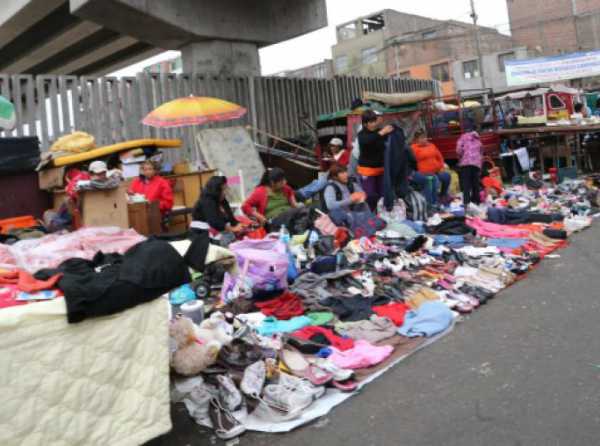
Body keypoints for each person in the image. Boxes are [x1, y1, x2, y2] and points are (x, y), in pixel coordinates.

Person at [357, 110, 394, 211]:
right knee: (370, 195)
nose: (373, 124)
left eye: (374, 121)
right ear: (365, 124)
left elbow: (387, 136)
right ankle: (371, 214)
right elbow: (368, 140)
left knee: (382, 193)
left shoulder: (380, 132)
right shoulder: (362, 135)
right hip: (367, 170)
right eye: (371, 122)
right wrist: (382, 132)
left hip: (381, 169)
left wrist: (392, 130)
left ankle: (381, 213)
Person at [410, 130, 451, 206]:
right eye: (421, 138)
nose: (424, 139)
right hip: (422, 173)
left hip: (436, 171)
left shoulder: (432, 145)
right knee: (432, 180)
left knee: (446, 176)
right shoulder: (413, 148)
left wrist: (440, 166)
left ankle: (442, 195)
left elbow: (440, 157)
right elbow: (412, 163)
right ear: (416, 139)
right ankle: (431, 203)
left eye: (425, 137)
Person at [456, 131, 483, 207]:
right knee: (476, 183)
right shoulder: (478, 139)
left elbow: (458, 150)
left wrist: (460, 156)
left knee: (466, 184)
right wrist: (480, 165)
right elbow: (481, 152)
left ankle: (467, 202)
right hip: (476, 164)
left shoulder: (462, 138)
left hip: (466, 163)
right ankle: (477, 201)